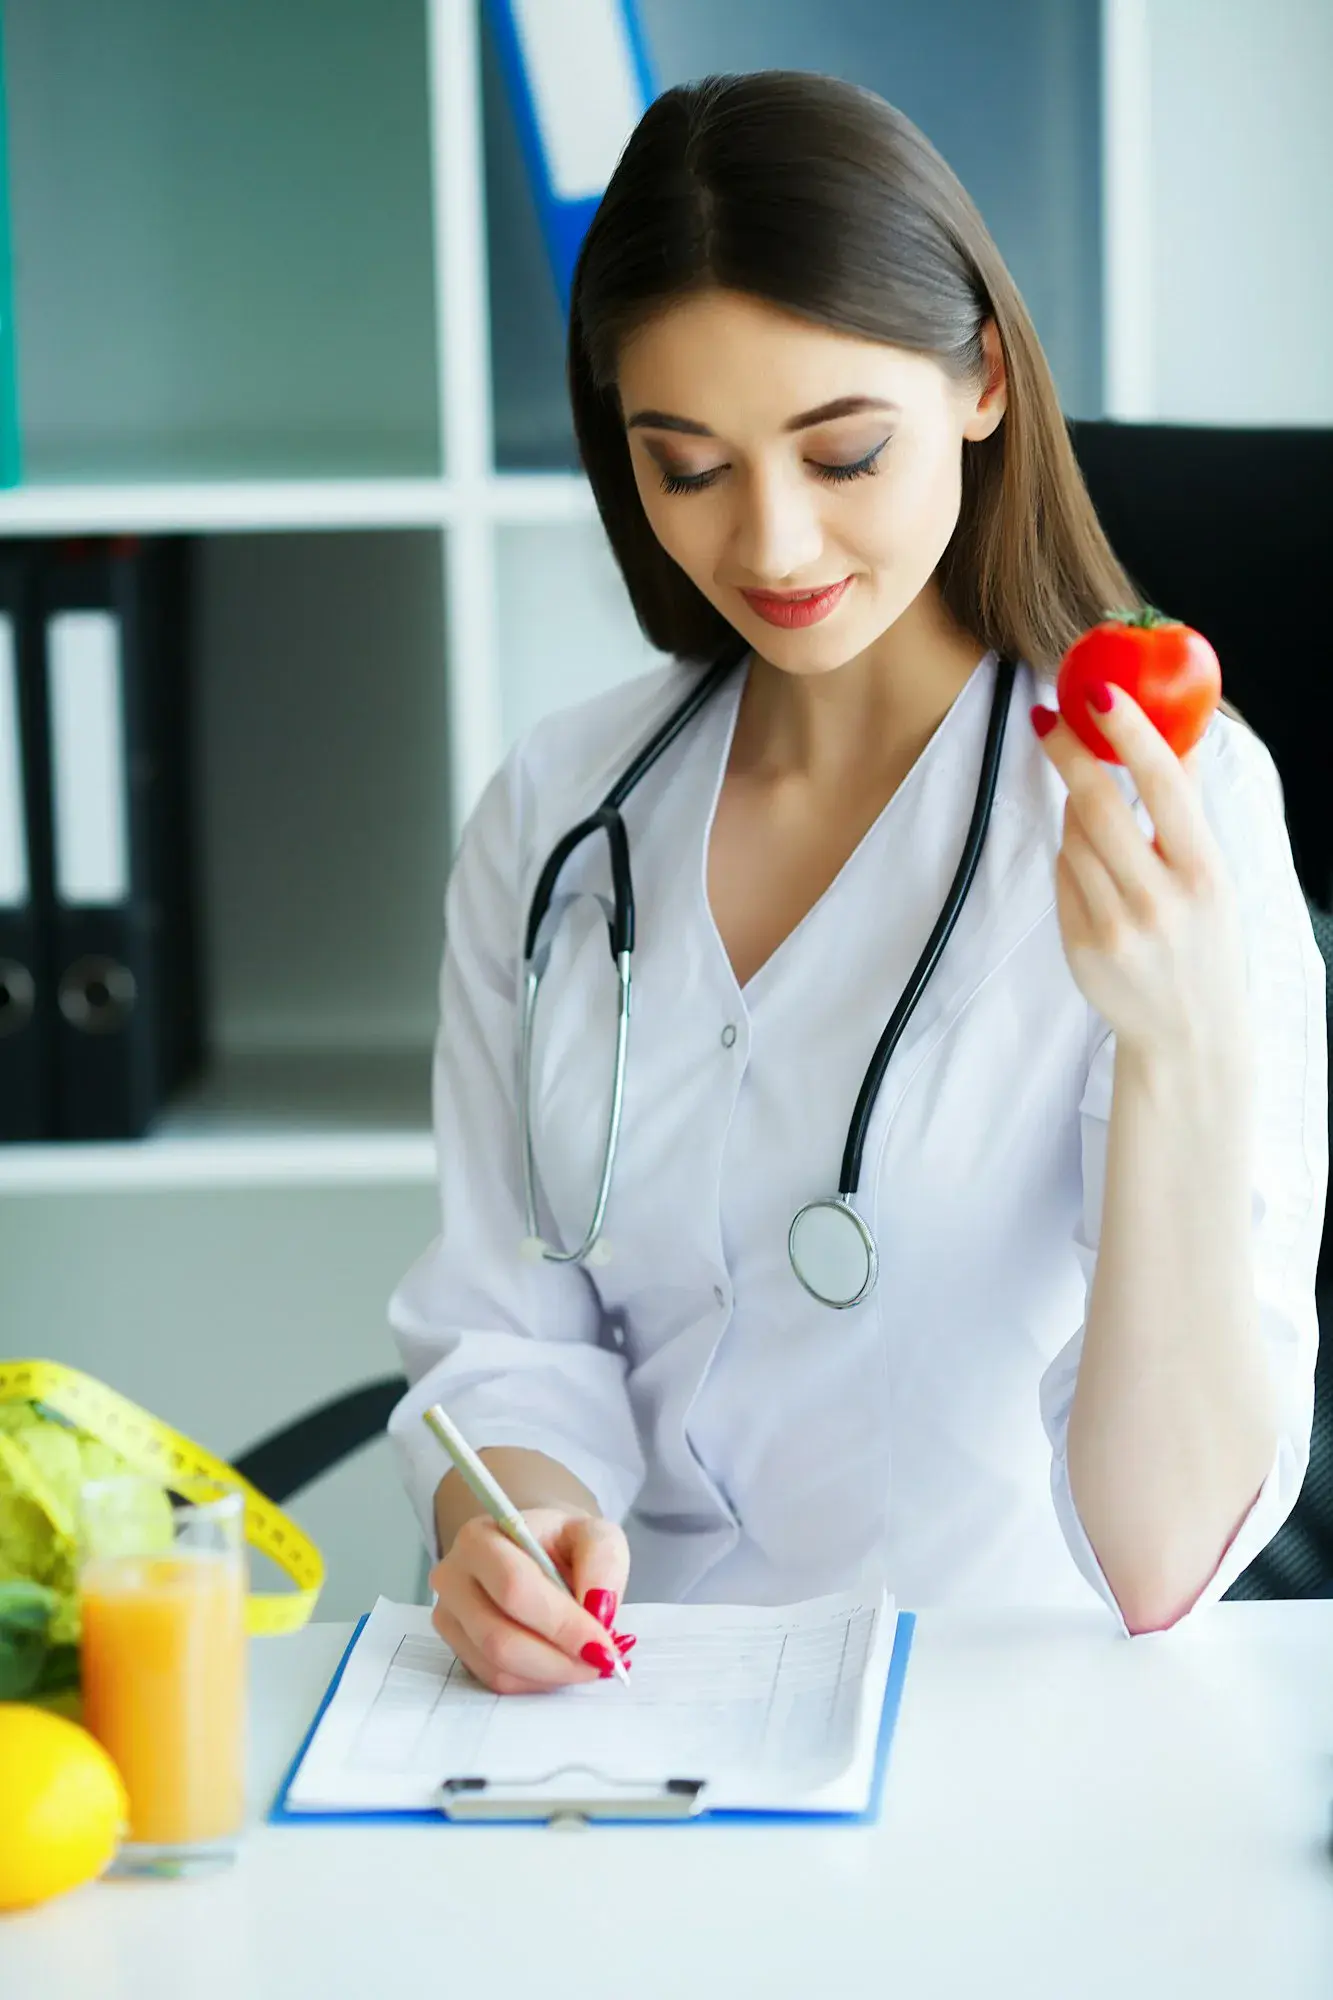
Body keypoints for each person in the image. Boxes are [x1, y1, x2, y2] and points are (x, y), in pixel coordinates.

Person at [385, 71, 1327, 1694]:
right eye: (687, 468)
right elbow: (512, 1336)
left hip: (1000, 1733)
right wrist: (515, 1529)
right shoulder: (560, 813)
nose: (773, 546)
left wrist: (1179, 1050)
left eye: (843, 454)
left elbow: (1165, 1555)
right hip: (626, 1722)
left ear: (980, 383)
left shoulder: (1173, 810)